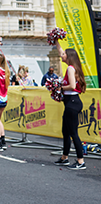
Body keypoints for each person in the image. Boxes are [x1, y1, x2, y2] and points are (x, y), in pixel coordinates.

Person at [53, 38, 87, 170]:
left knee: (73, 133)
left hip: (72, 102)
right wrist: (56, 41)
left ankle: (80, 161)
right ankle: (64, 157)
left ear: (69, 57)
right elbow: (61, 51)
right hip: (71, 102)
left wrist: (60, 87)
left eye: (64, 54)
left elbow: (72, 86)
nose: (62, 56)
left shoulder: (70, 69)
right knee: (66, 131)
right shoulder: (72, 67)